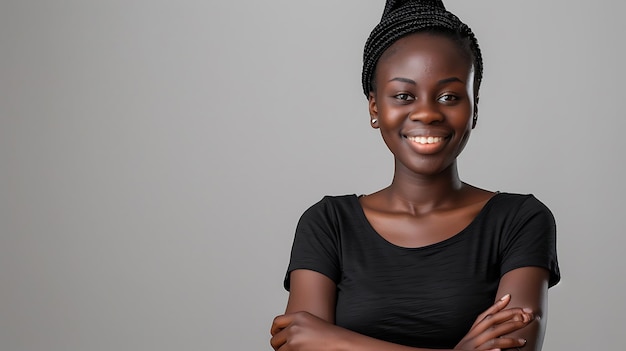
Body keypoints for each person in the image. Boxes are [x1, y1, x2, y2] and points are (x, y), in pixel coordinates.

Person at [270, 1, 560, 350]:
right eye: (404, 95)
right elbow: (298, 345)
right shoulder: (329, 224)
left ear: (475, 108)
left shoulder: (519, 220)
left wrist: (331, 340)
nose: (427, 112)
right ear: (375, 107)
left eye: (450, 96)